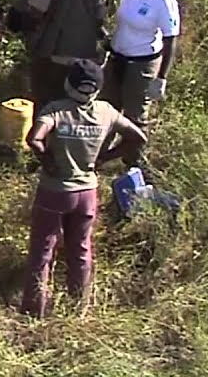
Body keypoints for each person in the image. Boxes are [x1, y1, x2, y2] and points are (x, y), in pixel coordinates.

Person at [21, 59, 147, 318]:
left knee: (43, 250)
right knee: (80, 249)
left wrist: (48, 162)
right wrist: (106, 157)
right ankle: (78, 308)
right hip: (87, 193)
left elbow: (34, 138)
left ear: (69, 84)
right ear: (97, 88)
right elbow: (138, 137)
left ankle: (34, 311)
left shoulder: (57, 111)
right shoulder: (106, 111)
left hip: (54, 192)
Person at [27, 0, 107, 111]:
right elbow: (100, 18)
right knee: (74, 106)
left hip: (53, 52)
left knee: (46, 102)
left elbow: (36, 12)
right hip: (85, 55)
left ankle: (44, 137)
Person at [102, 0, 180, 132]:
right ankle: (103, 154)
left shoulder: (163, 1)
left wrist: (161, 78)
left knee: (135, 114)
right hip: (118, 58)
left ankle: (134, 158)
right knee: (109, 108)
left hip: (141, 64)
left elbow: (170, 40)